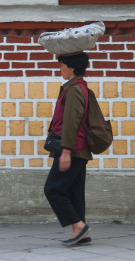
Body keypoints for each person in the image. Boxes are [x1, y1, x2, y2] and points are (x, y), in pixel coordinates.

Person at [44, 52, 93, 247]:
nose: (60, 69)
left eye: (62, 65)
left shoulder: (74, 89)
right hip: (79, 149)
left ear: (71, 67)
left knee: (53, 189)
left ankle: (79, 226)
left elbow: (71, 122)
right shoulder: (80, 87)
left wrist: (65, 152)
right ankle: (81, 233)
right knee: (74, 191)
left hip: (72, 149)